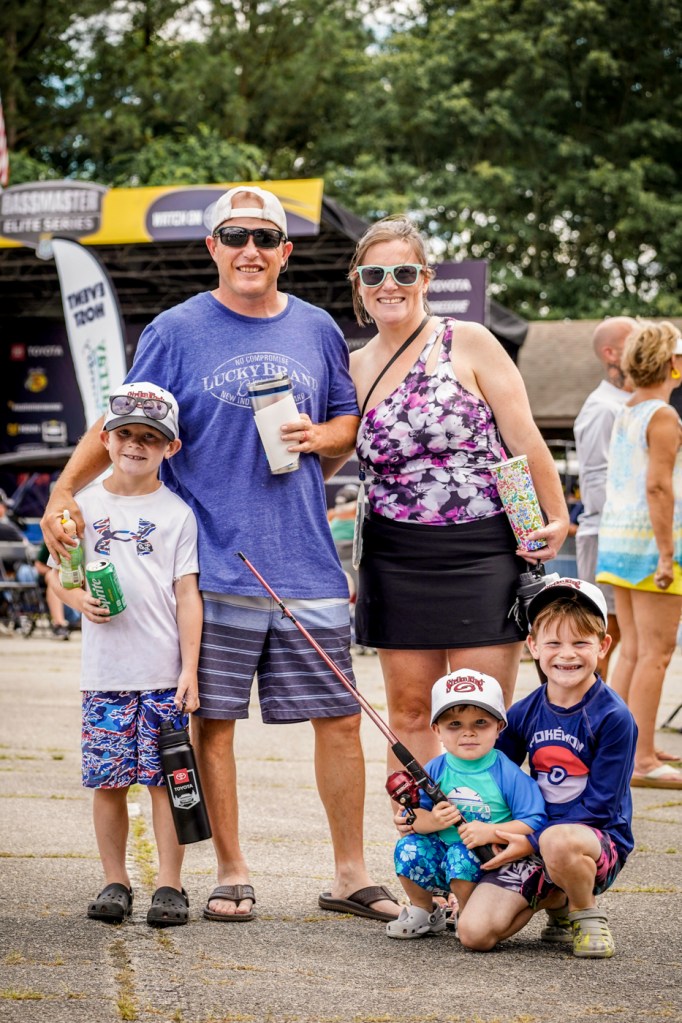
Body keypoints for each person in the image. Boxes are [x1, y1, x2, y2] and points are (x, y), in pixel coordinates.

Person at [41, 186, 400, 924]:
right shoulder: (175, 330)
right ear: (213, 246)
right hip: (213, 566)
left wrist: (318, 437)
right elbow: (120, 419)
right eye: (235, 236)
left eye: (265, 237)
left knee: (339, 719)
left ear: (285, 251)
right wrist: (63, 491)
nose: (250, 250)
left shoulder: (318, 327)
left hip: (304, 562)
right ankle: (232, 870)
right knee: (212, 726)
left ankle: (350, 873)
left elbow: (348, 422)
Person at [347, 216, 568, 769]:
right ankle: (420, 822)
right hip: (394, 557)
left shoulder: (468, 340)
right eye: (374, 274)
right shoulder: (352, 367)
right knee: (409, 713)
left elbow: (524, 438)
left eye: (403, 272)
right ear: (358, 283)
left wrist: (558, 515)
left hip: (483, 551)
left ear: (425, 278)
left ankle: (484, 821)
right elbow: (331, 452)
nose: (388, 285)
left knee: (481, 711)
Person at [46, 382, 202, 926]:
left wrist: (189, 669)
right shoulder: (81, 506)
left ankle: (170, 885)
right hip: (105, 676)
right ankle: (115, 881)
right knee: (108, 783)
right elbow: (59, 573)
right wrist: (76, 600)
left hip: (162, 675)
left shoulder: (177, 513)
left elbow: (188, 595)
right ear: (106, 440)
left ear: (170, 447)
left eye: (150, 438)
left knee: (167, 784)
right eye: (126, 434)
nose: (136, 444)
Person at [456, 578, 636, 959]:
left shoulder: (614, 717)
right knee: (473, 933)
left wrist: (530, 840)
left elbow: (601, 807)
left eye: (580, 643)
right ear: (533, 646)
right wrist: (427, 808)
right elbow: (490, 773)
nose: (566, 654)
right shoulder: (524, 712)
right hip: (536, 839)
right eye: (553, 643)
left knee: (557, 841)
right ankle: (555, 897)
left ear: (603, 646)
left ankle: (584, 911)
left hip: (592, 841)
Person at [387, 669, 545, 940]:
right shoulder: (434, 769)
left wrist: (491, 832)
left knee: (460, 856)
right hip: (440, 851)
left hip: (486, 859)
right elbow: (415, 818)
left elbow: (534, 821)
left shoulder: (507, 773)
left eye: (481, 723)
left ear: (499, 727)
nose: (468, 733)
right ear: (437, 730)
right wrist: (431, 821)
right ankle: (424, 910)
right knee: (407, 848)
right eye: (455, 724)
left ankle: (467, 911)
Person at [596, 321, 682, 788]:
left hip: (618, 542)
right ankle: (643, 759)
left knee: (631, 650)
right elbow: (658, 487)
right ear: (671, 363)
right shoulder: (663, 416)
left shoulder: (627, 409)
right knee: (656, 653)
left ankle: (621, 752)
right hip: (651, 546)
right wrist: (668, 555)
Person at [574, 316, 637, 679]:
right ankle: (588, 707)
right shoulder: (602, 407)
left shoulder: (628, 404)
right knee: (603, 636)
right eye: (634, 341)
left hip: (626, 535)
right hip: (608, 536)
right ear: (611, 353)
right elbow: (596, 479)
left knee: (628, 636)